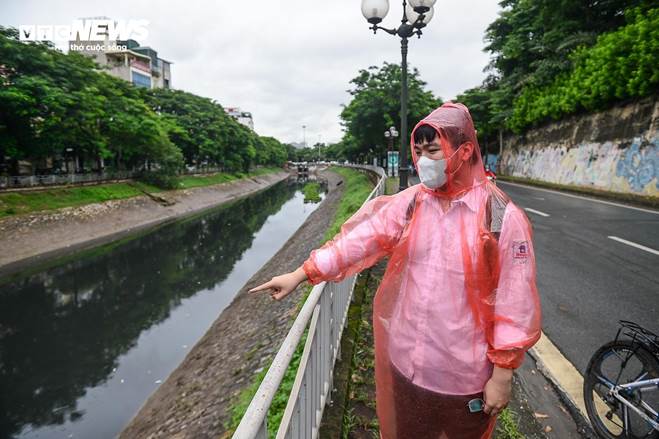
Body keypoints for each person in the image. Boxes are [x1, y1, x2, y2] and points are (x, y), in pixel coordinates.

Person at [249, 102, 542, 439]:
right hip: (405, 365)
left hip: (463, 379)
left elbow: (514, 302)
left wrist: (502, 375)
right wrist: (303, 272)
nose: (423, 160)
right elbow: (359, 240)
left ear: (463, 151)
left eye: (433, 150)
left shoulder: (499, 217)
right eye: (418, 151)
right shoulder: (413, 203)